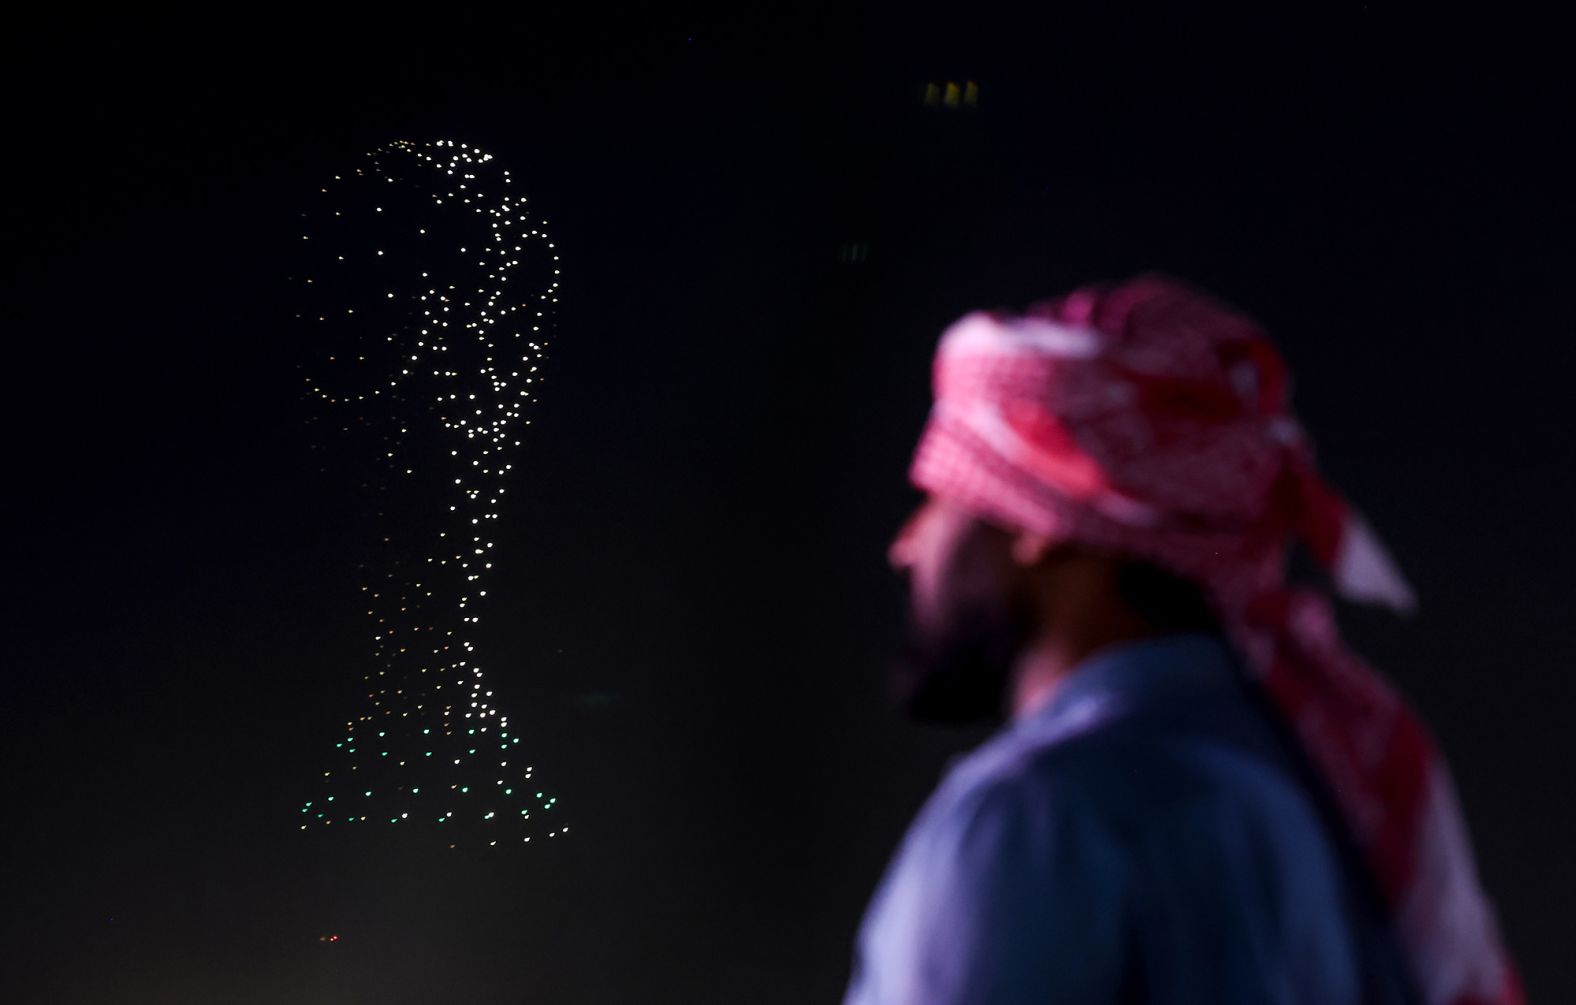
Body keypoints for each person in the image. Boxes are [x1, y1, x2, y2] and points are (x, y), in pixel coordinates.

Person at [844, 276, 1522, 1004]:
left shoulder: (1039, 821)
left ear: (1038, 518)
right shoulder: (1326, 796)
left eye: (939, 495)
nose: (907, 544)